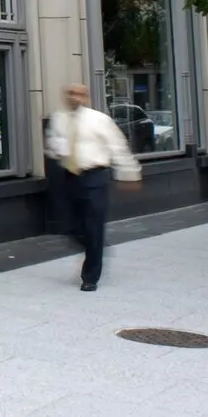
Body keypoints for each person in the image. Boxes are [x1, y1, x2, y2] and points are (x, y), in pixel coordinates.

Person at [44, 83, 141, 290]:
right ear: (65, 96)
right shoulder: (59, 119)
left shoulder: (99, 119)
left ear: (86, 97)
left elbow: (118, 146)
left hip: (95, 177)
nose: (75, 97)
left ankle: (90, 277)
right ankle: (95, 247)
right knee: (71, 226)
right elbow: (53, 145)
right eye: (71, 93)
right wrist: (55, 149)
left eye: (80, 94)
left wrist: (129, 172)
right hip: (70, 177)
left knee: (94, 227)